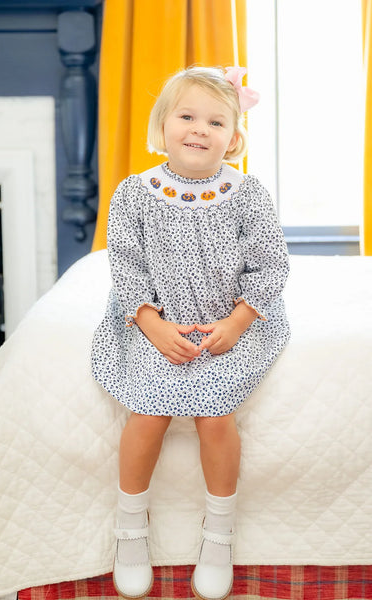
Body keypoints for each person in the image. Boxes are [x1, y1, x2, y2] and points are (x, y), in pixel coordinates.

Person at [92, 65, 290, 600]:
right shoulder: (134, 193)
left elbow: (270, 266)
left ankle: (219, 532)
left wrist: (237, 322)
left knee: (215, 413)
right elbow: (126, 268)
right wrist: (152, 325)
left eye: (216, 121)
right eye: (187, 116)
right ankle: (130, 526)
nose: (200, 129)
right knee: (148, 411)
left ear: (234, 138)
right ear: (163, 125)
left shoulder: (247, 194)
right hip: (156, 319)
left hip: (226, 323)